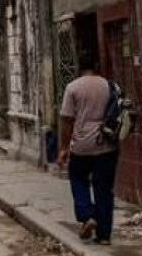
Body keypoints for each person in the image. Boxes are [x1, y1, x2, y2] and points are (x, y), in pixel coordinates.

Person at [57, 51, 119, 246]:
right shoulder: (109, 86)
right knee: (104, 189)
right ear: (96, 65)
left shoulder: (72, 88)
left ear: (79, 67)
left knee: (78, 179)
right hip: (107, 144)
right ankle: (104, 235)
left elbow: (67, 120)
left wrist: (64, 148)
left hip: (81, 145)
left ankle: (87, 215)